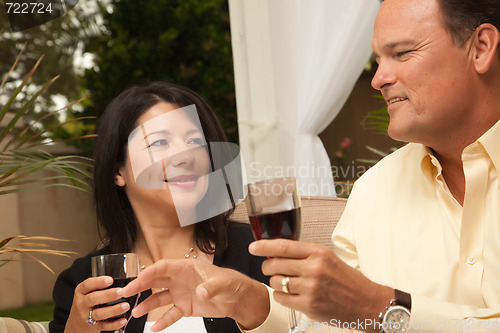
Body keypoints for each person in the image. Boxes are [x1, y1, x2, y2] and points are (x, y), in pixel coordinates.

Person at [119, 0, 500, 332]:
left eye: (401, 53)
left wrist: (379, 307)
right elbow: (330, 323)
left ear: (481, 48)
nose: (379, 78)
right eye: (378, 59)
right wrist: (251, 303)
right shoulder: (374, 190)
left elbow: (364, 309)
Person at [48, 82, 269, 333]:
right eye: (160, 142)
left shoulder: (258, 250)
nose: (187, 156)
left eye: (195, 140)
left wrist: (253, 303)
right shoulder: (85, 282)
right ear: (117, 171)